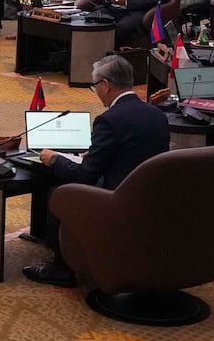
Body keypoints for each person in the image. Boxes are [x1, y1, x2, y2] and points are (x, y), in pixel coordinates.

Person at [23, 55, 170, 287]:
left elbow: (86, 176)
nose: (96, 92)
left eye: (94, 87)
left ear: (105, 84)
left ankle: (61, 268)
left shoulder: (109, 120)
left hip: (119, 199)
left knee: (58, 192)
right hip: (152, 196)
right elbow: (134, 153)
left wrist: (54, 159)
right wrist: (95, 155)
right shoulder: (157, 115)